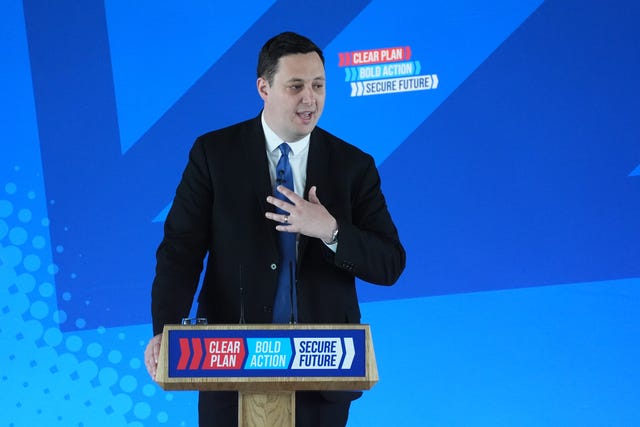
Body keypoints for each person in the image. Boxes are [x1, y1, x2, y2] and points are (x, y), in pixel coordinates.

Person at [144, 31, 406, 426]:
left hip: (323, 370)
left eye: (319, 86)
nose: (310, 99)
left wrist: (331, 231)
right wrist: (165, 327)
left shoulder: (354, 166)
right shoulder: (214, 155)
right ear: (263, 88)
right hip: (227, 364)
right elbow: (180, 250)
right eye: (296, 86)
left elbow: (390, 264)